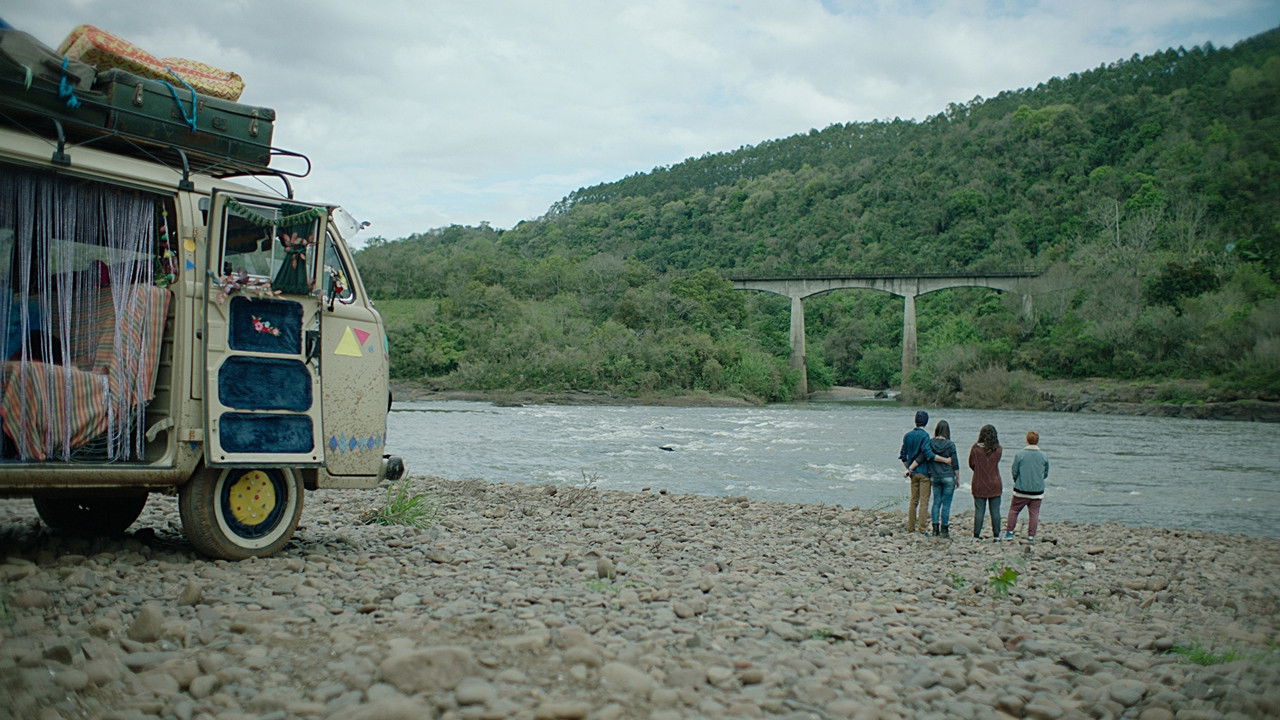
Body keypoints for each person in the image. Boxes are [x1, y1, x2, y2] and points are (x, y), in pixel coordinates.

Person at [898, 410, 950, 534]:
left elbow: (903, 455)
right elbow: (928, 454)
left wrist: (909, 468)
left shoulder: (907, 435)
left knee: (913, 501)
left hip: (913, 473)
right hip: (925, 473)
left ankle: (911, 527)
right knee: (924, 501)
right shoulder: (925, 436)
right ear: (926, 422)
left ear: (915, 421)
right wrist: (945, 460)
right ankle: (922, 529)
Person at [909, 420, 958, 537]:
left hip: (935, 477)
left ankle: (935, 529)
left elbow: (921, 457)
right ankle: (944, 530)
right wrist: (958, 478)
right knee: (946, 504)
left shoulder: (930, 443)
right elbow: (955, 463)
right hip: (948, 476)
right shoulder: (951, 444)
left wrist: (910, 468)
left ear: (937, 430)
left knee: (936, 502)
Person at [1005, 430, 1049, 542]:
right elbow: (1045, 473)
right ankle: (1031, 536)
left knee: (1014, 510)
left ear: (1027, 440)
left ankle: (1009, 533)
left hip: (1021, 490)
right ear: (1037, 441)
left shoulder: (1020, 455)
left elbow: (1014, 471)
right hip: (1037, 491)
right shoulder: (1044, 456)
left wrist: (1017, 480)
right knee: (1034, 513)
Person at [968, 424, 1003, 541]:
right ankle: (996, 536)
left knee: (979, 510)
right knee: (995, 511)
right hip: (995, 482)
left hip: (979, 482)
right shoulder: (998, 449)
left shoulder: (975, 449)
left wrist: (979, 470)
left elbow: (971, 464)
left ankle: (976, 536)